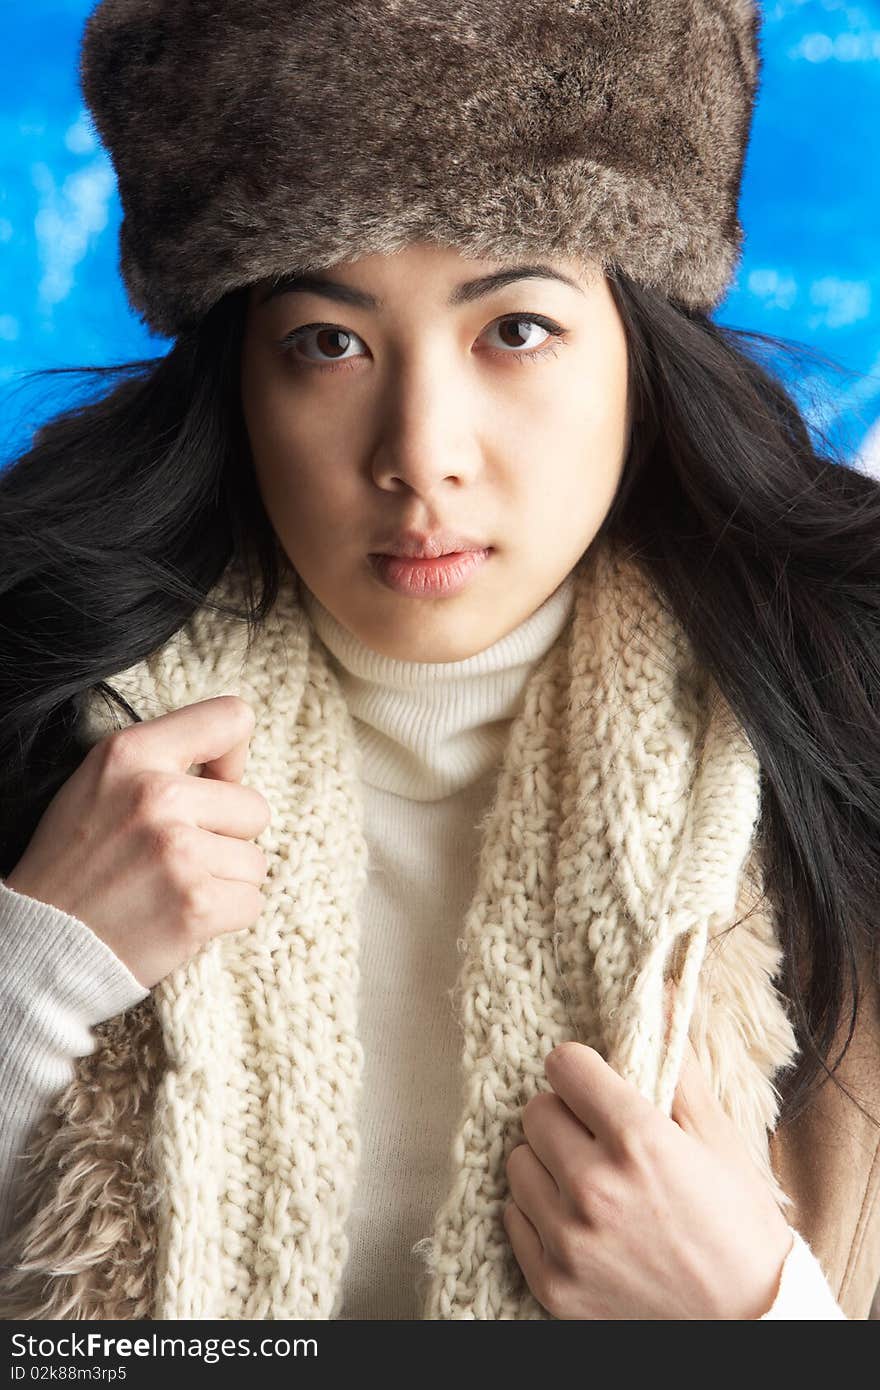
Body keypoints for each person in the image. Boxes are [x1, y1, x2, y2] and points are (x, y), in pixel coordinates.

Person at [0, 0, 878, 1321]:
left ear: (636, 347)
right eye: (329, 342)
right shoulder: (53, 712)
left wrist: (757, 1318)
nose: (421, 450)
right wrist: (34, 969)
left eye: (513, 328)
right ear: (242, 379)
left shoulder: (840, 740)